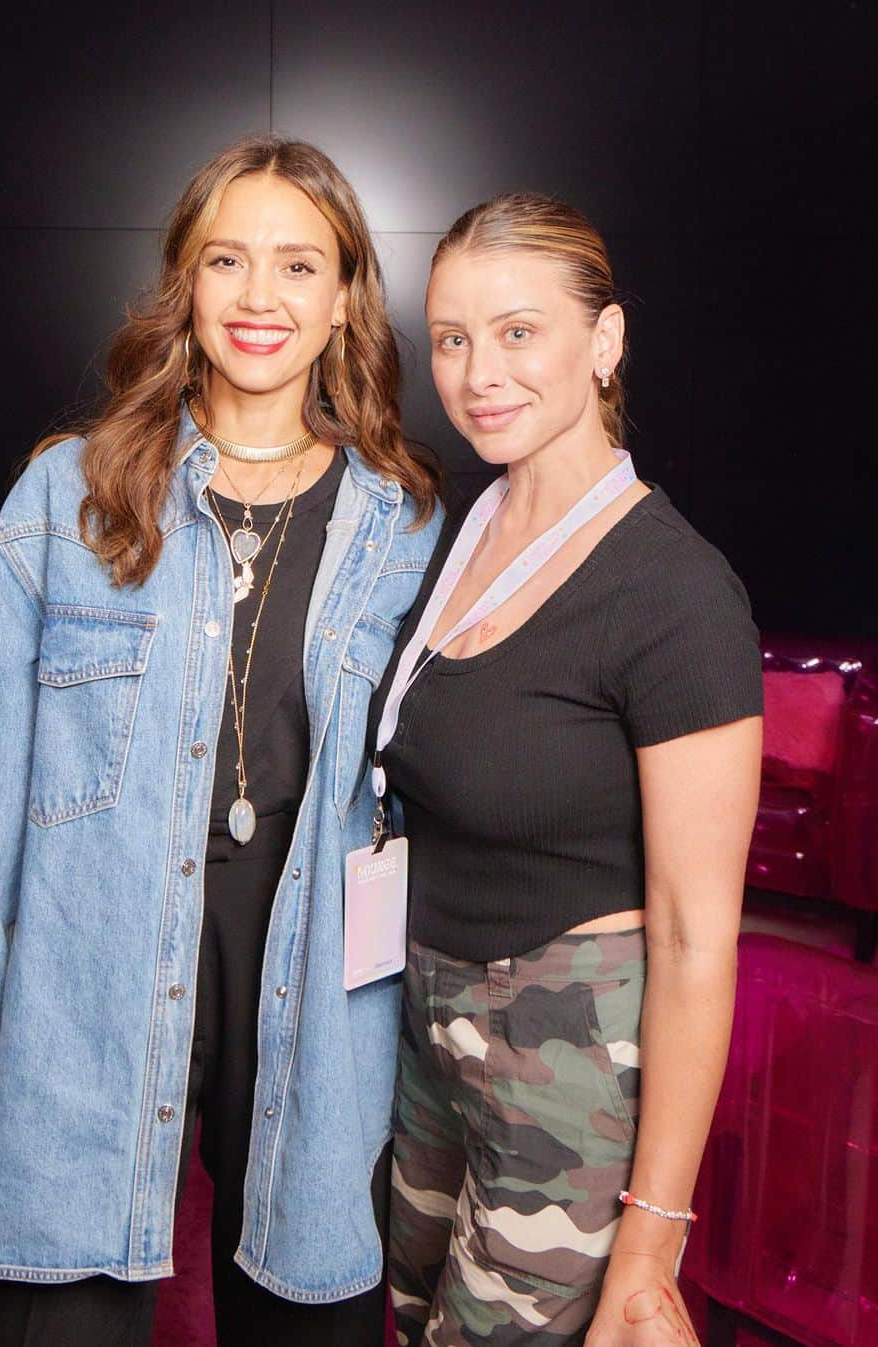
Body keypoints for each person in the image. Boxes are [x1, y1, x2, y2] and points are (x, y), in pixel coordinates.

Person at [0, 135, 443, 1347]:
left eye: (299, 265)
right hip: (87, 988)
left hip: (314, 998)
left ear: (345, 294)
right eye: (227, 259)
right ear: (183, 282)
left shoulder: (404, 523)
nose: (259, 297)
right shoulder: (69, 497)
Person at [371, 194, 763, 1346]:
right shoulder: (462, 529)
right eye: (451, 338)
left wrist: (652, 1240)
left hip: (570, 1059)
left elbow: (698, 938)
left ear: (605, 342)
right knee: (412, 1321)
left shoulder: (675, 596)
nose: (478, 372)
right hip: (423, 1024)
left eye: (518, 331)